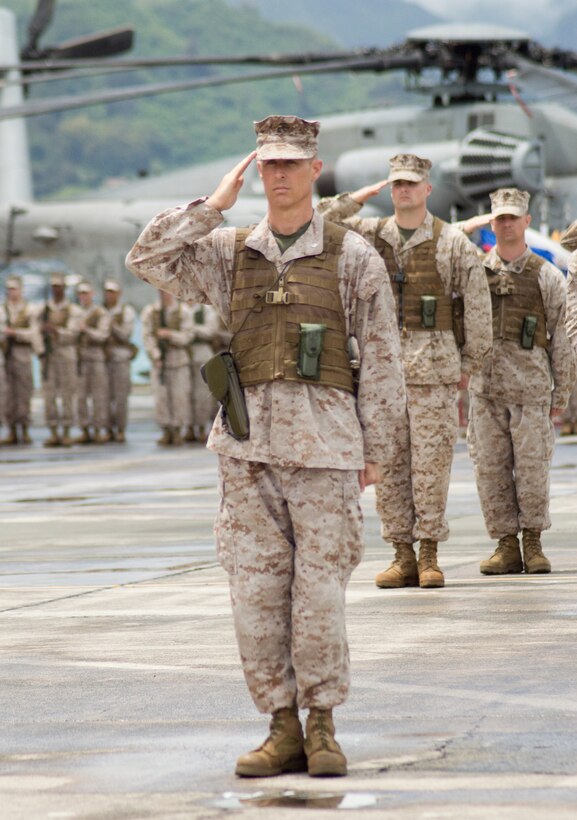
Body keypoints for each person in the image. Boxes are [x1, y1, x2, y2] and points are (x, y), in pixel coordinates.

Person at [126, 114, 406, 778]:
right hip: (246, 451)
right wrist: (210, 207)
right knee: (255, 595)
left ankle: (323, 726)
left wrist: (378, 449)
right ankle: (279, 726)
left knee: (318, 597)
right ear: (255, 171)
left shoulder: (350, 254)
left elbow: (386, 358)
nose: (278, 175)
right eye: (267, 164)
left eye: (290, 163)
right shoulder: (228, 250)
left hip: (326, 451)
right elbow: (148, 259)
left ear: (314, 170)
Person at [317, 154, 492, 589]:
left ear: (427, 189)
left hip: (434, 375)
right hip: (382, 374)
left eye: (411, 184)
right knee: (389, 467)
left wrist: (469, 365)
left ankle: (429, 553)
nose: (403, 191)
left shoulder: (452, 242)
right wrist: (357, 198)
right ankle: (401, 555)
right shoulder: (372, 235)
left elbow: (478, 307)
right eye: (396, 184)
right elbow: (319, 219)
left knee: (431, 468)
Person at [467, 188, 576, 575]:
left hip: (531, 391)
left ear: (527, 221)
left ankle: (533, 543)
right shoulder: (475, 273)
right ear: (492, 223)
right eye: (501, 218)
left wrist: (560, 392)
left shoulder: (546, 275)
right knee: (490, 470)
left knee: (532, 470)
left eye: (514, 217)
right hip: (486, 391)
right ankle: (504, 546)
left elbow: (561, 339)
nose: (508, 223)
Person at [141, 290, 194, 446]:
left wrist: (170, 335)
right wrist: (155, 354)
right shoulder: (151, 312)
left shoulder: (183, 311)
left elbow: (187, 336)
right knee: (161, 398)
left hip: (178, 360)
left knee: (179, 397)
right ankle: (166, 430)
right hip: (160, 362)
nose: (165, 294)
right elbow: (147, 336)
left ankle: (177, 430)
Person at [37, 272, 83, 447]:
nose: (56, 290)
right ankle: (53, 431)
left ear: (64, 288)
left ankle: (66, 431)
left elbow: (73, 333)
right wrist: (40, 349)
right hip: (49, 356)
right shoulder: (43, 310)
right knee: (49, 395)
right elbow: (35, 330)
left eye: (59, 287)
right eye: (54, 287)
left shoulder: (73, 310)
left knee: (67, 394)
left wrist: (56, 331)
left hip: (66, 354)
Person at [0, 276, 42, 445]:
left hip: (23, 354)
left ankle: (24, 429)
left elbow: (33, 333)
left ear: (21, 290)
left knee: (24, 393)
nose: (12, 292)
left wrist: (15, 333)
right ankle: (11, 430)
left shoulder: (29, 309)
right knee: (8, 395)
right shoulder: (3, 310)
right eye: (9, 289)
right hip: (7, 355)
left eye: (14, 289)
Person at [74, 281, 112, 444]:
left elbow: (102, 335)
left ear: (92, 294)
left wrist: (86, 330)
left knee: (98, 395)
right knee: (80, 396)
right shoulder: (74, 312)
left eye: (86, 293)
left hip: (96, 355)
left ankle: (98, 429)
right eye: (81, 293)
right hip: (80, 357)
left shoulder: (100, 313)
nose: (83, 296)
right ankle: (84, 429)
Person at [103, 279, 137, 443]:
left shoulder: (126, 311)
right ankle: (107, 428)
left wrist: (112, 325)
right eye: (108, 292)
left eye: (113, 292)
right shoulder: (100, 311)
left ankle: (121, 429)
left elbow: (125, 334)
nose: (110, 295)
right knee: (104, 397)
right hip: (103, 358)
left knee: (120, 396)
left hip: (120, 357)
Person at [184, 302, 219, 443]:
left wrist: (191, 329)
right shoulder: (180, 309)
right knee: (185, 394)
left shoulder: (206, 311)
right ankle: (188, 427)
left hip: (202, 354)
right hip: (184, 355)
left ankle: (203, 427)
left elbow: (211, 331)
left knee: (202, 394)